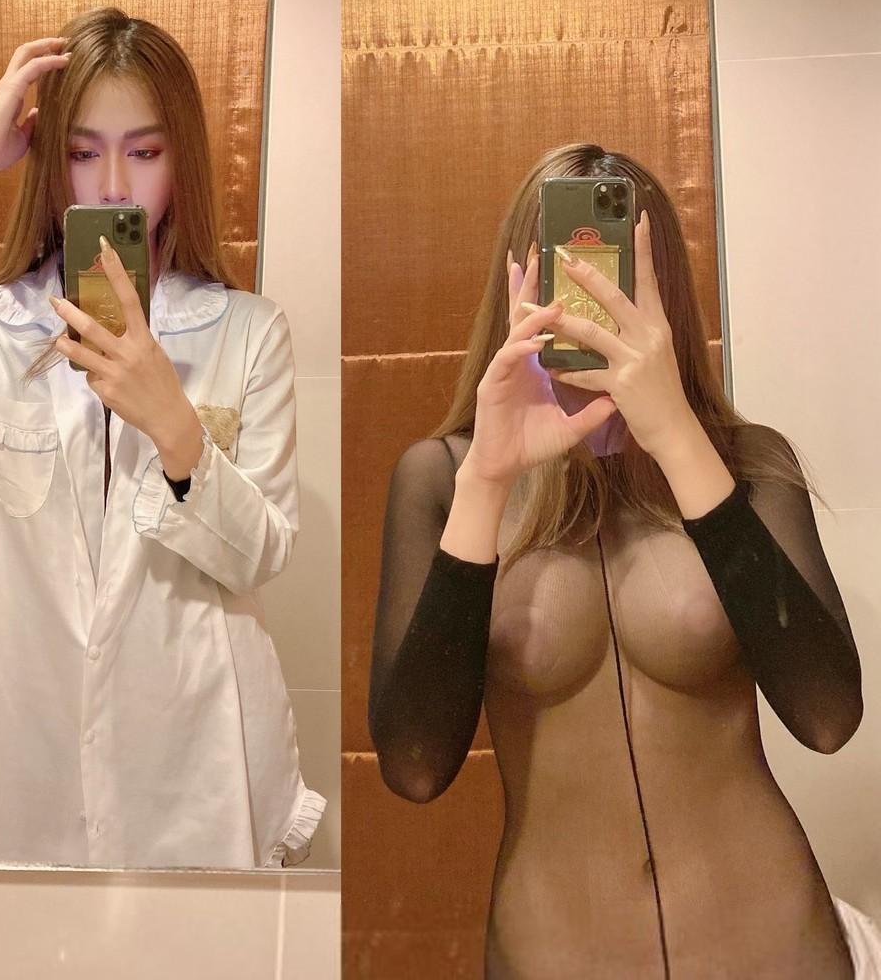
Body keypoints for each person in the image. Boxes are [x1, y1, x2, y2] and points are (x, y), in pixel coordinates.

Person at [0, 7, 325, 869]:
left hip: (193, 757)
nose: (113, 186)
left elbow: (260, 553)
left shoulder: (247, 333)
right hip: (32, 758)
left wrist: (175, 427)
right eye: (83, 153)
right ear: (51, 164)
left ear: (181, 161)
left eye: (144, 153)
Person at [368, 143, 879, 976]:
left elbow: (828, 718)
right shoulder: (444, 478)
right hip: (555, 954)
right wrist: (488, 480)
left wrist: (676, 435)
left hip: (772, 945)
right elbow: (416, 767)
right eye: (566, 270)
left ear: (661, 285)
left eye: (613, 270)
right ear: (520, 279)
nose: (588, 297)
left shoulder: (744, 465)